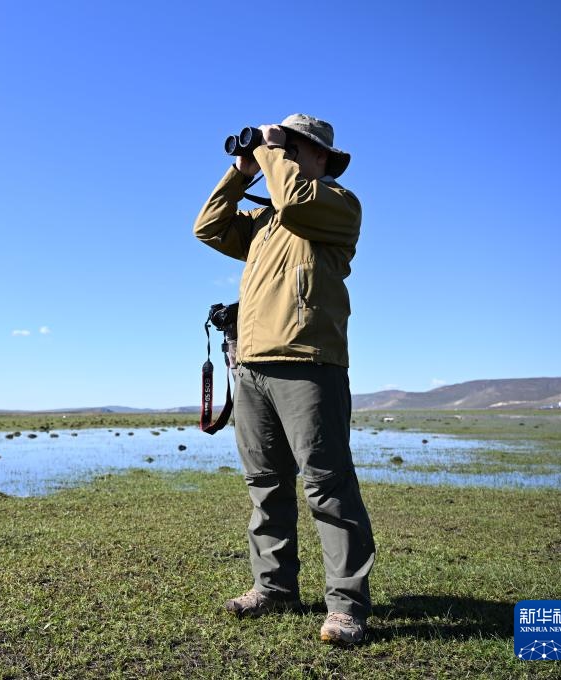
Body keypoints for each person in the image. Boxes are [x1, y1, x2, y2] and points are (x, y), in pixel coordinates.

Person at [193, 113, 376, 644]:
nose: (286, 154)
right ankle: (274, 589)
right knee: (265, 484)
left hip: (309, 364)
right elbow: (207, 226)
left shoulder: (337, 206)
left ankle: (346, 607)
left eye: (297, 147)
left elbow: (296, 199)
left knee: (327, 485)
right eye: (283, 146)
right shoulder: (266, 223)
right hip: (250, 366)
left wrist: (272, 149)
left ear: (322, 158)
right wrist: (240, 170)